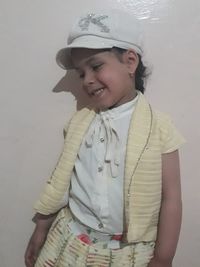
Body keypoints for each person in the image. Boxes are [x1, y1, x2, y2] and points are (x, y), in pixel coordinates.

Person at [25, 9, 185, 267]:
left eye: (96, 66)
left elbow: (171, 197)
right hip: (69, 239)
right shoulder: (80, 123)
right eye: (81, 73)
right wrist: (41, 226)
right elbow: (61, 181)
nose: (87, 80)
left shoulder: (160, 128)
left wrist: (164, 258)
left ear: (130, 62)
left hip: (128, 253)